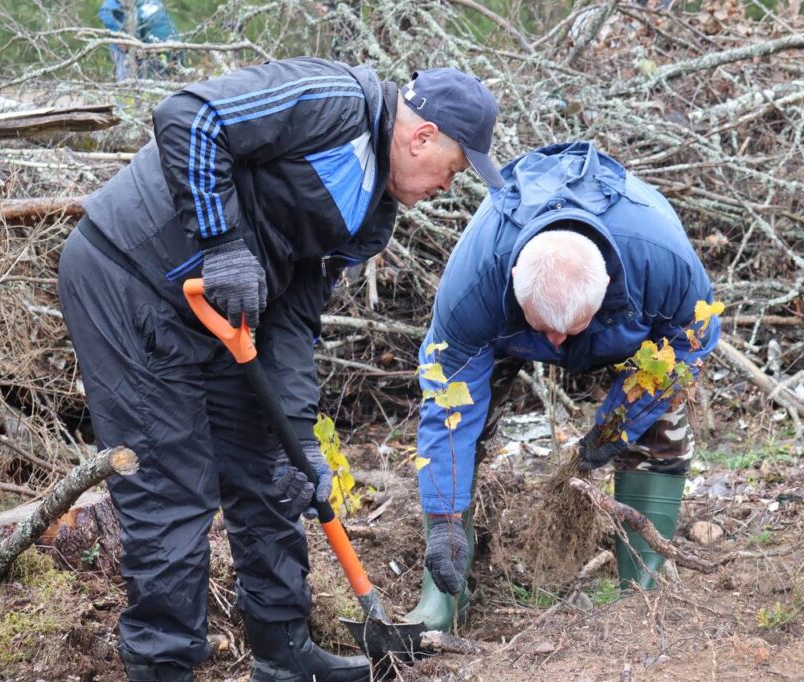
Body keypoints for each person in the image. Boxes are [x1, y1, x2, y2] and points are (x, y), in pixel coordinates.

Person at [57, 60, 501, 681]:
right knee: (172, 485)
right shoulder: (335, 102)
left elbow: (293, 317)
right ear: (421, 138)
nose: (448, 185)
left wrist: (299, 440)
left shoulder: (372, 220)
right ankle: (163, 667)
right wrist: (222, 242)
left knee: (272, 470)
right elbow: (189, 115)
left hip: (222, 312)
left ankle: (283, 650)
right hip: (129, 277)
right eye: (453, 169)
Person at [406, 141, 720, 631]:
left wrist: (617, 425)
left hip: (626, 328)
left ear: (606, 286)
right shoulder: (476, 283)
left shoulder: (660, 262)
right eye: (545, 328)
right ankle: (442, 602)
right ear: (513, 280)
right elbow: (447, 407)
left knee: (660, 416)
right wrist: (443, 522)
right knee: (461, 430)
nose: (555, 342)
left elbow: (692, 343)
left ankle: (643, 593)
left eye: (567, 330)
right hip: (506, 324)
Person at [99, 0, 182, 81]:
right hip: (173, 46)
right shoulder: (111, 8)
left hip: (157, 48)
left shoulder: (111, 8)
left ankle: (128, 84)